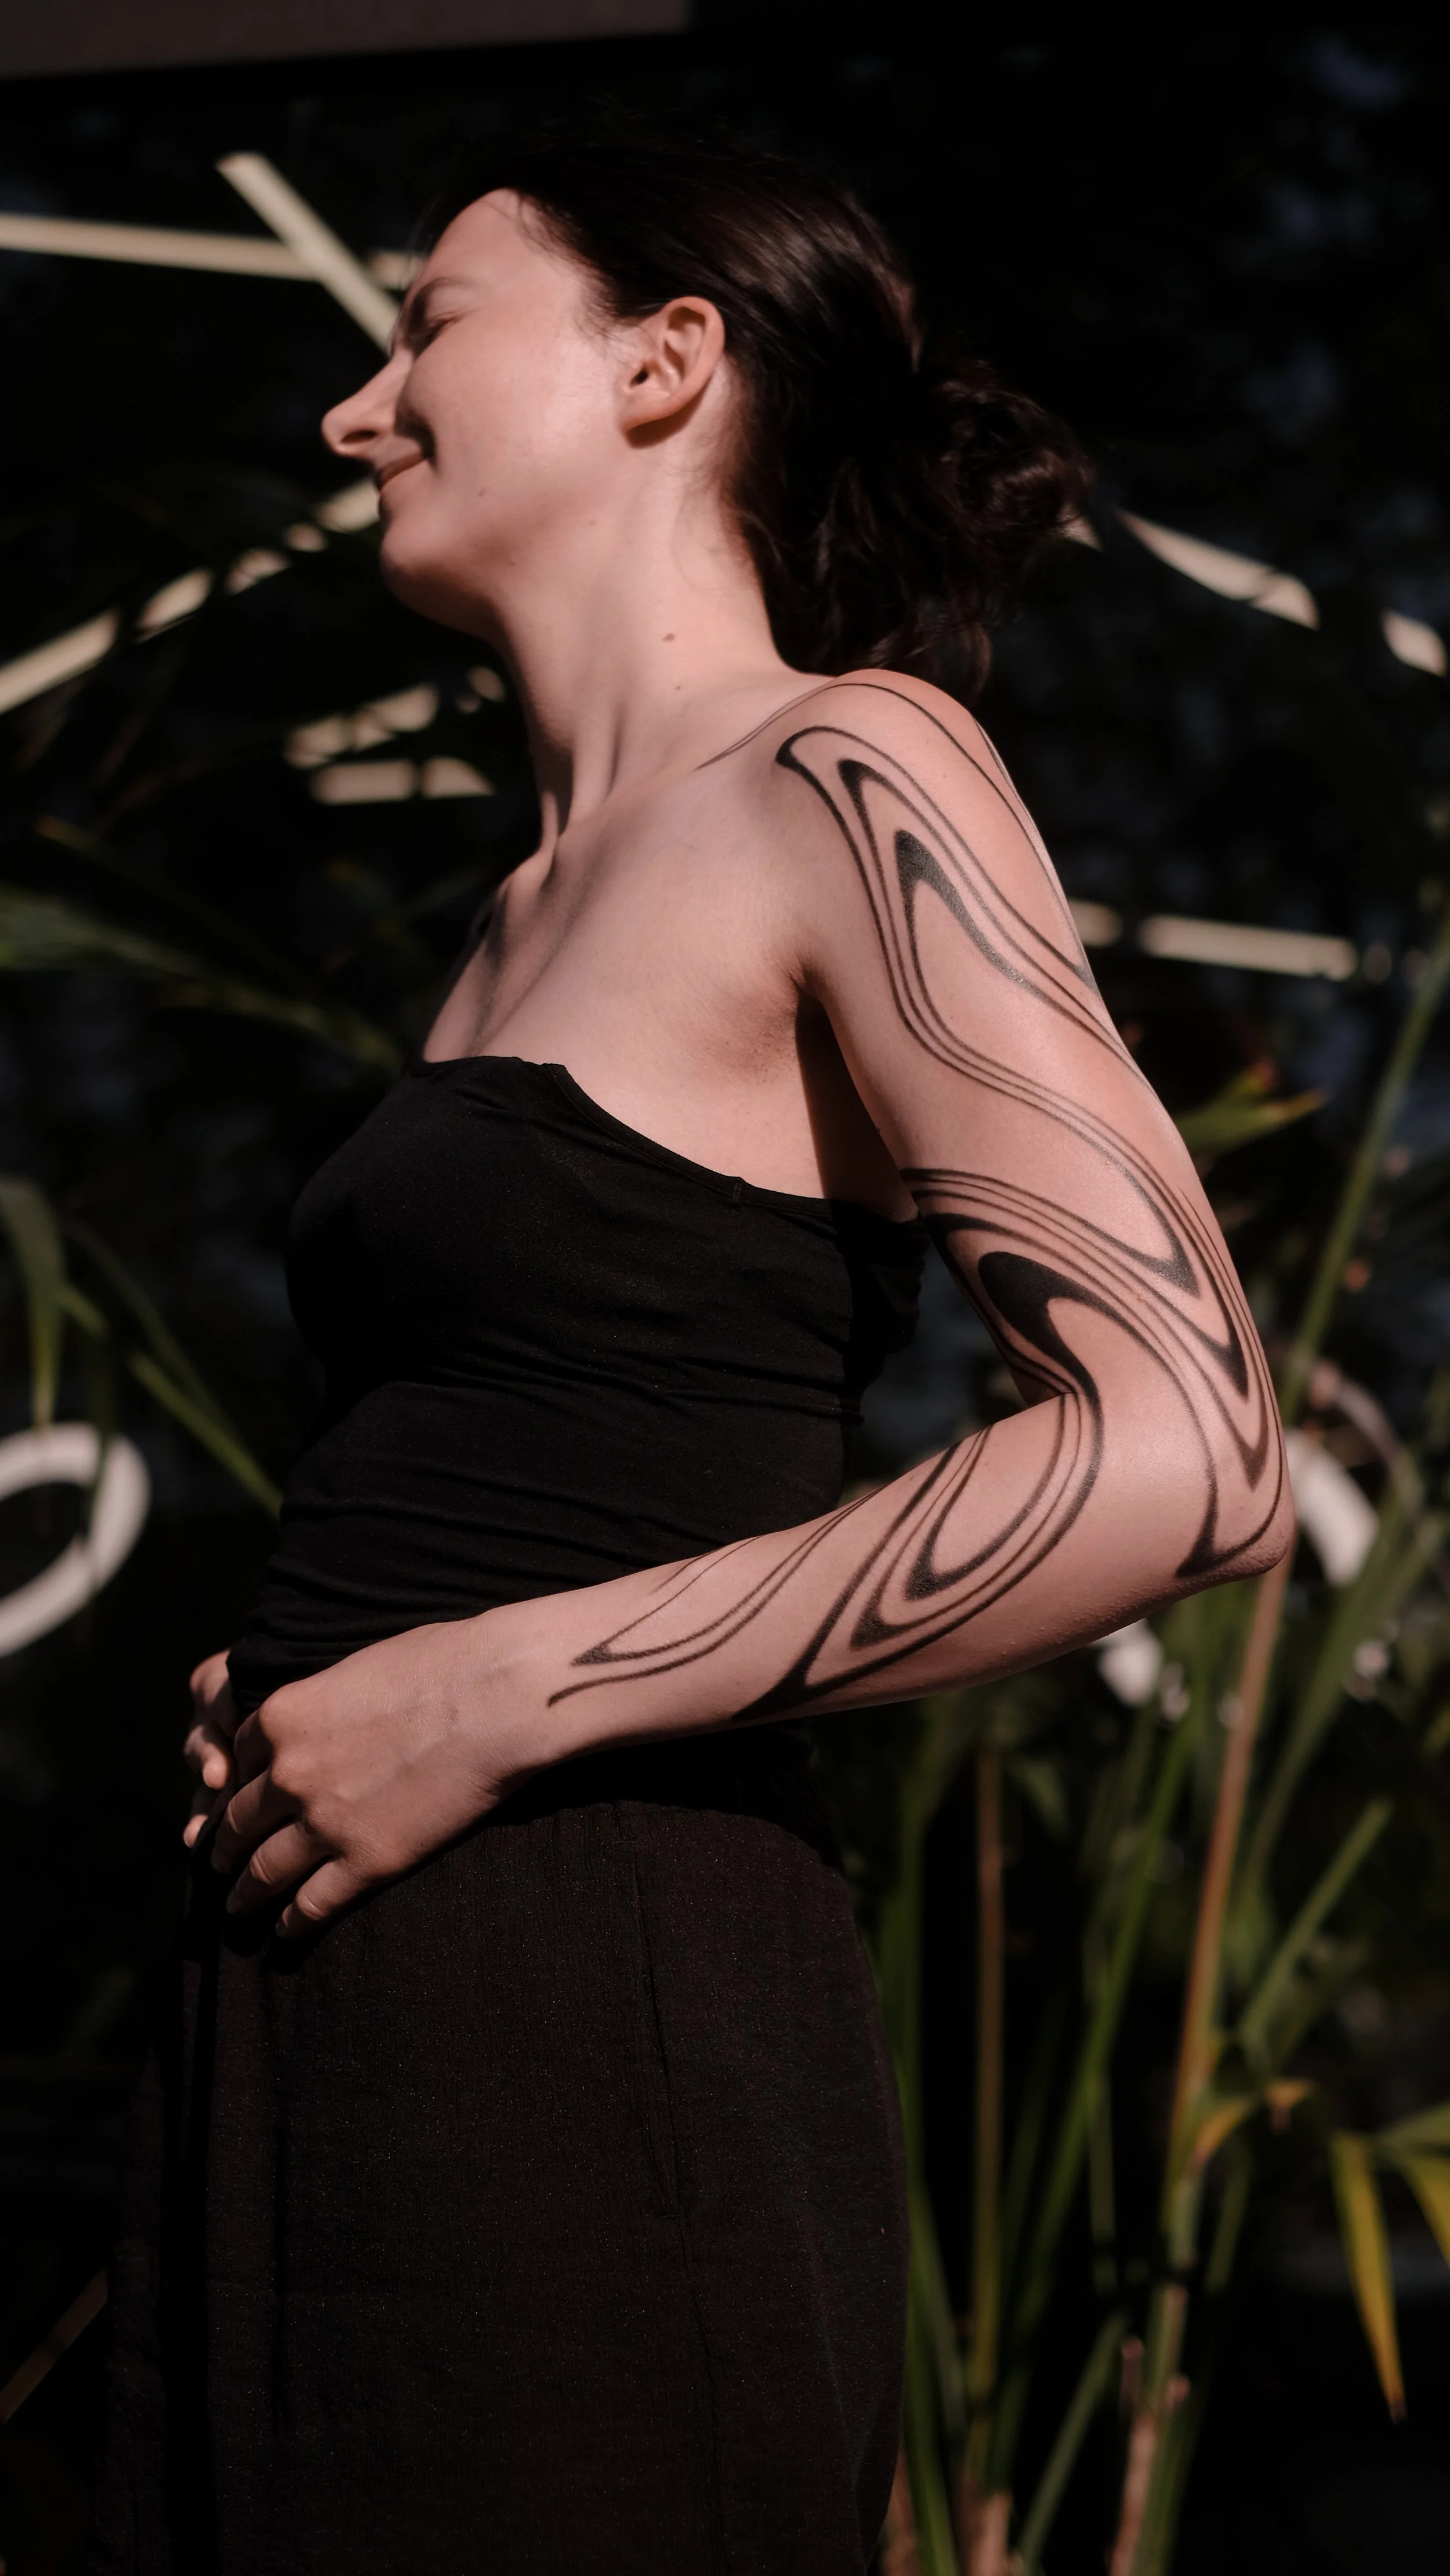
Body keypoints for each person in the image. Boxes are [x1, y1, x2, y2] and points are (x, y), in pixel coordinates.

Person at [90, 129, 1293, 2576]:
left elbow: (1189, 1448)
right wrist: (314, 1677)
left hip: (590, 2014)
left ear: (666, 363)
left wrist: (492, 1691)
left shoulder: (844, 769)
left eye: (424, 323)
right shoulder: (519, 901)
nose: (356, 409)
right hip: (317, 2012)